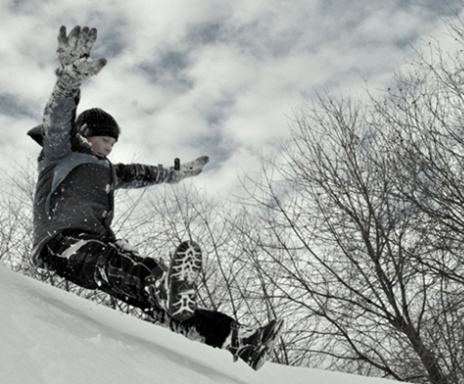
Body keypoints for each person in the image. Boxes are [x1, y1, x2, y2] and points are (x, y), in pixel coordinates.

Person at [28, 25, 282, 370]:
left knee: (151, 286)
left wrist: (175, 174)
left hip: (94, 243)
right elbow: (57, 118)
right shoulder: (60, 152)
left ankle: (235, 338)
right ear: (87, 134)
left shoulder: (108, 171)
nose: (111, 148)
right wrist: (69, 81)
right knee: (118, 265)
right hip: (60, 242)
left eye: (114, 144)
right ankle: (163, 288)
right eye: (107, 140)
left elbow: (141, 173)